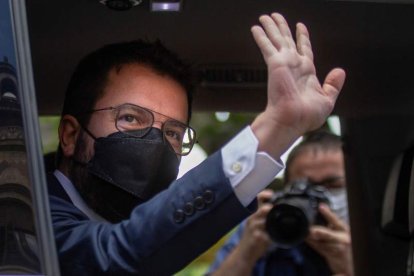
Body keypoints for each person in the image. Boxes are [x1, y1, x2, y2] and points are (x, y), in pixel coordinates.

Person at [47, 13, 346, 275]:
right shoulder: (25, 212)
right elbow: (112, 256)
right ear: (71, 136)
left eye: (174, 133)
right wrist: (277, 128)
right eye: (131, 118)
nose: (155, 142)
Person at [207, 131, 353, 276]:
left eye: (333, 185)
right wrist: (245, 254)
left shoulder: (369, 233)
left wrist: (353, 266)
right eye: (303, 187)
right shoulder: (263, 228)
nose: (317, 198)